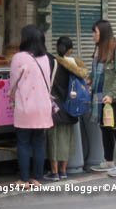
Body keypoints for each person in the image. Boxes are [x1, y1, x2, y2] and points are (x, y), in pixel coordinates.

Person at [8, 25, 52, 189]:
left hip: (26, 108)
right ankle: (37, 178)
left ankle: (24, 180)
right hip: (43, 107)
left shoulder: (19, 58)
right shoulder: (45, 58)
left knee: (24, 143)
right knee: (39, 143)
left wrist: (11, 98)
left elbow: (13, 84)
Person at [89, 20, 116, 177]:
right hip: (101, 96)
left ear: (103, 33)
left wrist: (111, 95)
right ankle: (108, 161)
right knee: (105, 128)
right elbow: (95, 72)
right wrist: (88, 80)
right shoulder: (99, 49)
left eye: (95, 32)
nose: (93, 35)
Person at [44, 37, 89, 181]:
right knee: (67, 140)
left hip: (57, 108)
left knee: (54, 140)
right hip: (72, 107)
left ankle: (54, 172)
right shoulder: (76, 65)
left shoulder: (54, 64)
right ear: (70, 50)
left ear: (58, 47)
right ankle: (63, 171)